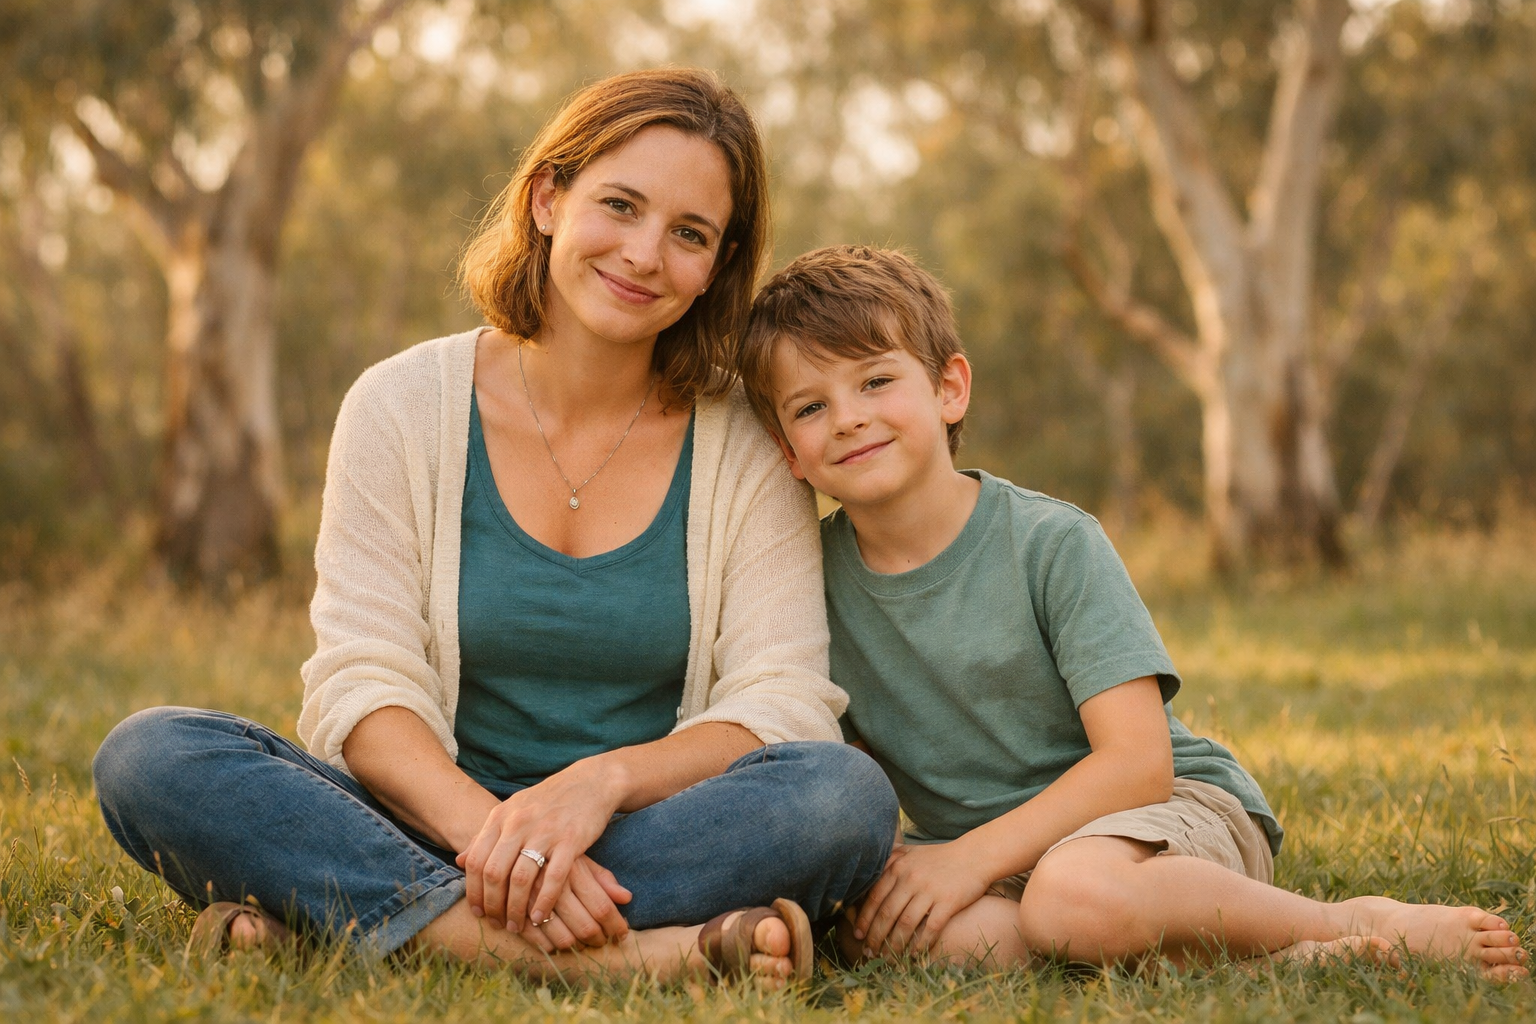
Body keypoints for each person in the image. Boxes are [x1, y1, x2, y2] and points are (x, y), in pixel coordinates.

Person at [92, 70, 898, 986]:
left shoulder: (746, 446)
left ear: (718, 264)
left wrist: (596, 788)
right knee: (153, 755)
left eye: (688, 234)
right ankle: (620, 961)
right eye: (620, 206)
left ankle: (359, 924)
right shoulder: (399, 407)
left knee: (844, 798)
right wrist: (496, 838)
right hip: (426, 818)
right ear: (548, 198)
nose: (643, 254)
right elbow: (363, 680)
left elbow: (780, 701)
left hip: (651, 830)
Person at [734, 243, 1529, 980]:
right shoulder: (811, 583)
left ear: (949, 388)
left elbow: (1137, 762)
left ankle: (1338, 919)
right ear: (785, 450)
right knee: (893, 935)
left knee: (1071, 900)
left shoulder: (1049, 542)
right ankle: (1239, 959)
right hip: (1012, 860)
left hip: (1162, 816)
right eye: (810, 407)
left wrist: (969, 861)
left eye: (876, 381)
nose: (847, 418)